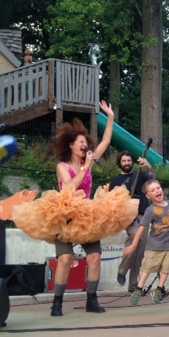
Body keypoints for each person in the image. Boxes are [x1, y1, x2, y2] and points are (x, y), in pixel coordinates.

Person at [50, 100, 115, 316]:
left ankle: (92, 300)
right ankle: (57, 303)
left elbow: (106, 141)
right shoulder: (62, 166)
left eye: (86, 143)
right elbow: (69, 187)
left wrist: (111, 117)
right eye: (81, 142)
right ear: (71, 145)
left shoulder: (90, 159)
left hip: (87, 215)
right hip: (66, 214)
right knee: (65, 259)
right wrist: (86, 167)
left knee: (94, 258)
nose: (85, 145)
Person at [124, 180, 169, 305]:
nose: (157, 191)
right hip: (154, 245)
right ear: (148, 196)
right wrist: (133, 245)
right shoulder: (150, 210)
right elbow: (141, 228)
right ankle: (139, 288)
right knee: (148, 267)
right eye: (153, 190)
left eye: (158, 188)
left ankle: (160, 288)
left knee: (166, 268)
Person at [109, 150, 154, 292]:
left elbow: (153, 182)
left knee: (139, 250)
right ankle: (122, 270)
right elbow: (111, 200)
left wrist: (149, 167)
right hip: (127, 216)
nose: (127, 163)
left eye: (129, 160)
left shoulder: (140, 174)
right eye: (124, 161)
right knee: (136, 236)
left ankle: (134, 286)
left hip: (142, 214)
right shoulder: (116, 180)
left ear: (132, 162)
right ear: (120, 163)